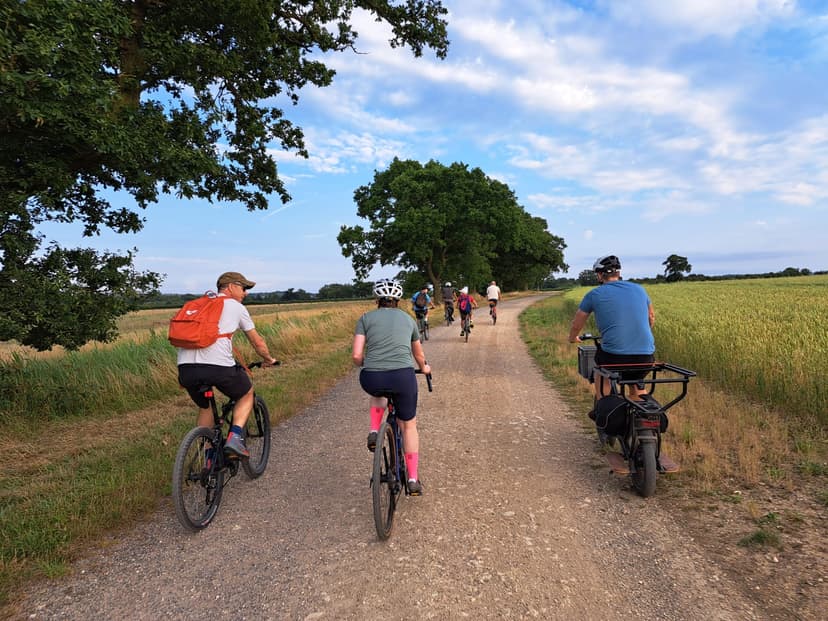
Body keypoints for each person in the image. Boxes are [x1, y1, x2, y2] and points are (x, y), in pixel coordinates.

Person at [177, 271, 279, 458]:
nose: (245, 293)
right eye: (243, 288)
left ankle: (208, 460)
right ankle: (235, 438)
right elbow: (258, 343)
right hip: (218, 367)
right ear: (230, 287)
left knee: (206, 406)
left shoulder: (197, 305)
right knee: (246, 393)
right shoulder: (235, 306)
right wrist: (269, 359)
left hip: (186, 369)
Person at [352, 279, 431, 496]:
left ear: (376, 300)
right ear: (397, 300)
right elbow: (418, 354)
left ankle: (374, 430)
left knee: (378, 391)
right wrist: (424, 368)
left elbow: (357, 355)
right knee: (408, 425)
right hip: (403, 377)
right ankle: (413, 479)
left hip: (372, 377)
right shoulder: (408, 320)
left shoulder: (366, 318)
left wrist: (364, 364)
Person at [568, 255, 655, 402]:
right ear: (618, 273)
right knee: (636, 378)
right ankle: (643, 414)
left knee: (601, 373)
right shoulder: (639, 289)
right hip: (646, 355)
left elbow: (577, 323)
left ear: (600, 275)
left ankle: (604, 407)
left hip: (614, 356)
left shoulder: (594, 294)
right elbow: (651, 318)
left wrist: (572, 338)